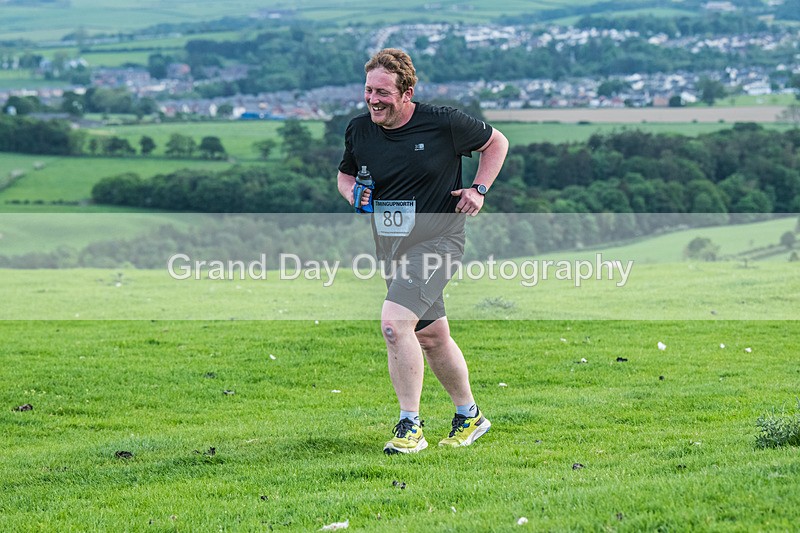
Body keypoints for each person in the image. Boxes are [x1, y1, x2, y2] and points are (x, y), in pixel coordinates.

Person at [337, 48, 509, 454]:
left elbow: (497, 143)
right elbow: (345, 176)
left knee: (396, 324)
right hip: (392, 247)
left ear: (407, 91)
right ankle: (470, 416)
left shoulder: (444, 122)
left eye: (383, 92)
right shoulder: (359, 130)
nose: (373, 99)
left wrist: (478, 189)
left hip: (439, 242)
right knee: (431, 335)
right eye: (368, 91)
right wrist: (353, 196)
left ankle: (409, 426)